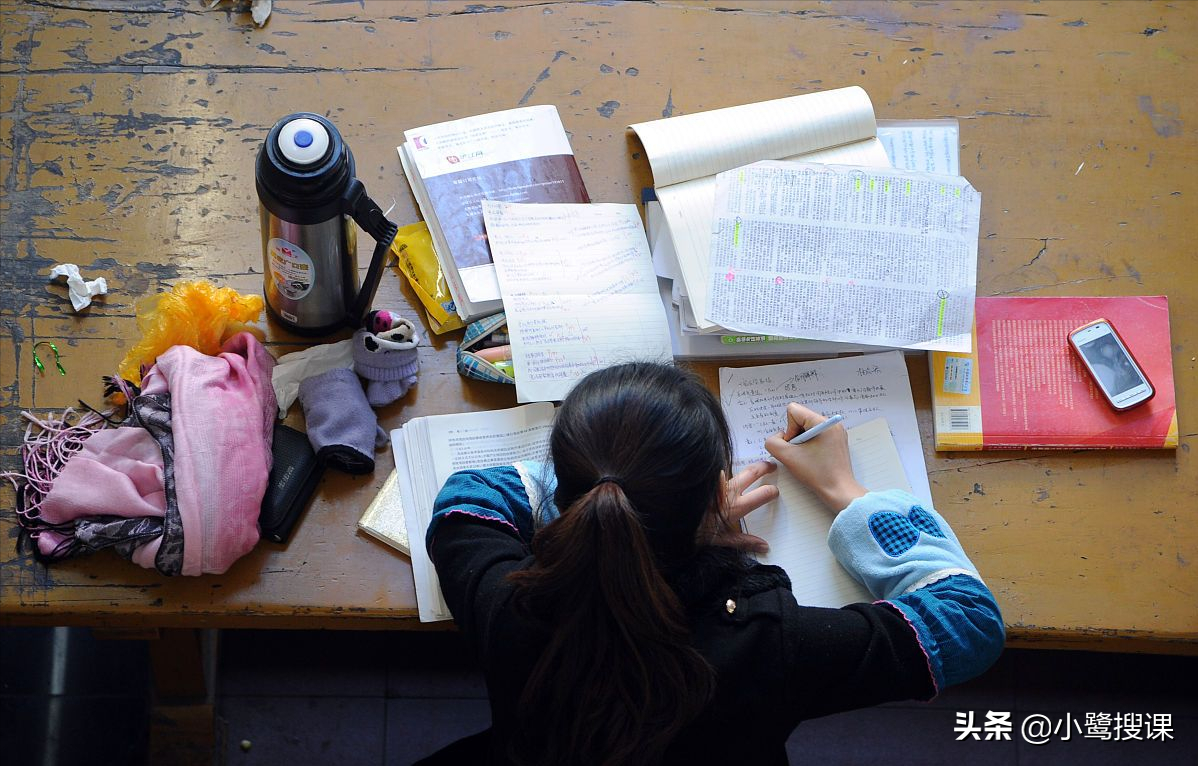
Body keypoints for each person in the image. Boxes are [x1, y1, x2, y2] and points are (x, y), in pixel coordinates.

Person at [423, 362, 1004, 766]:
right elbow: (969, 622)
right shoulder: (770, 644)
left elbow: (468, 498)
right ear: (713, 496)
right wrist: (848, 490)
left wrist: (629, 487)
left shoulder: (510, 606)